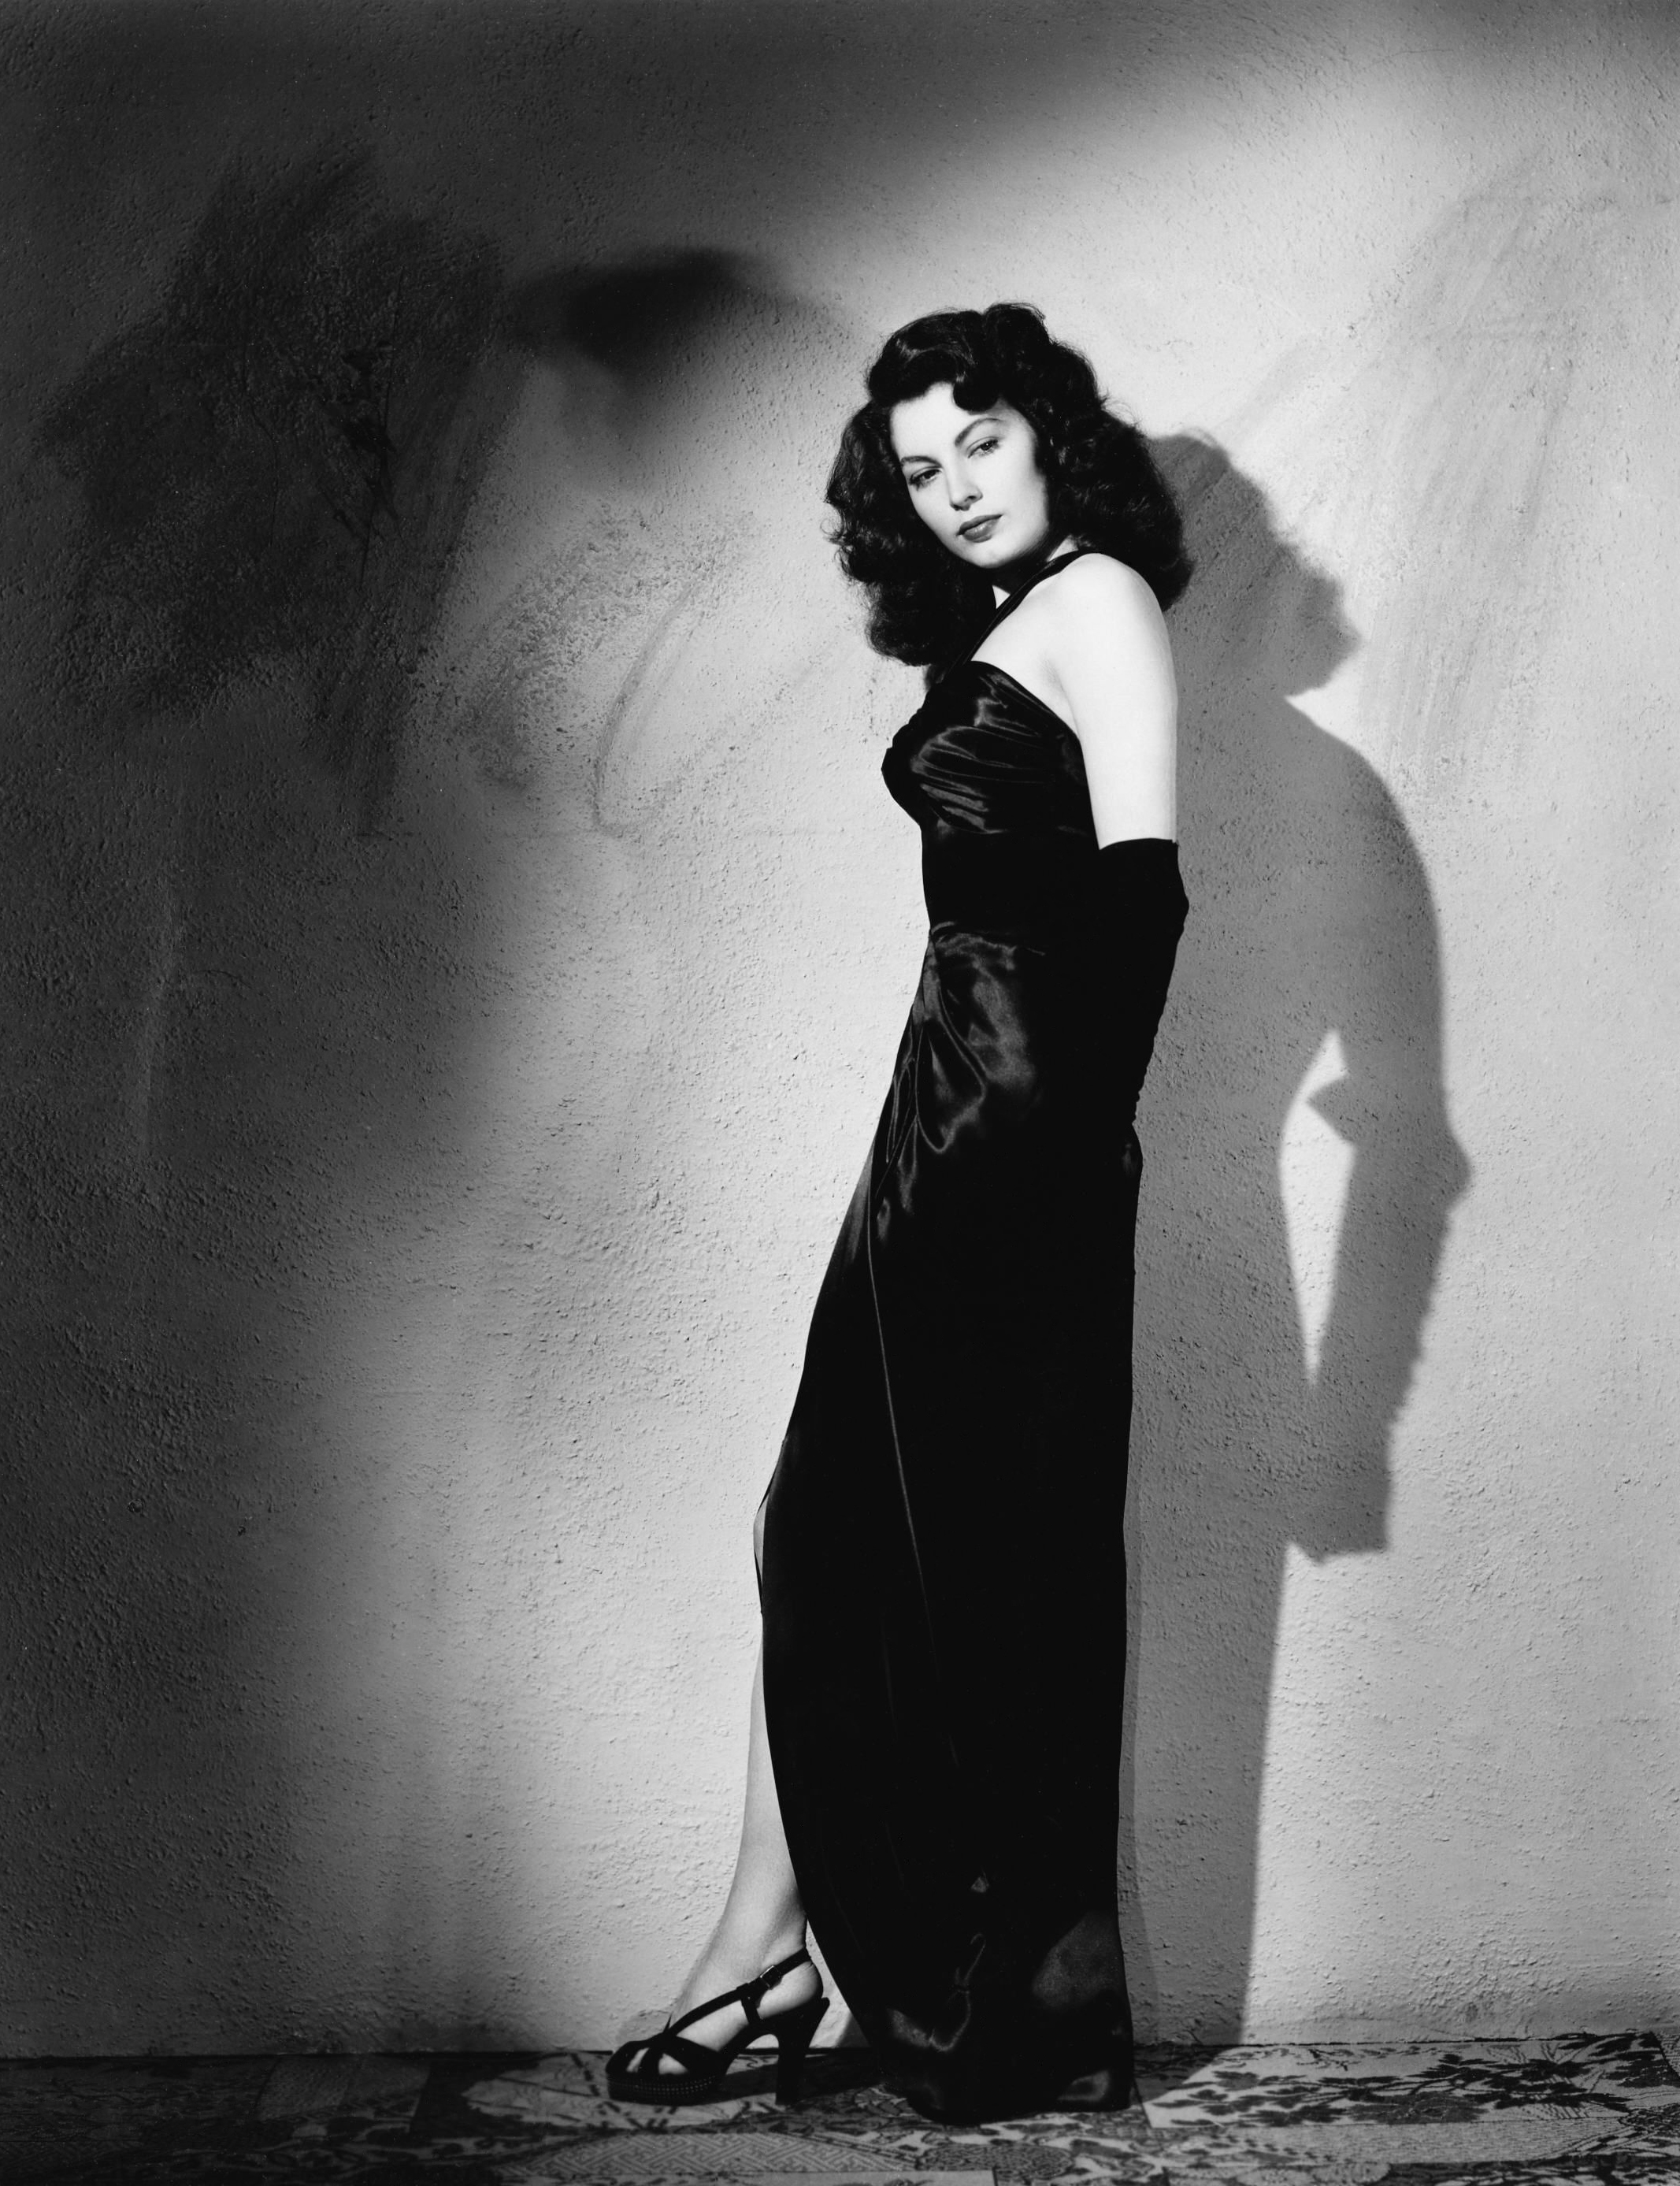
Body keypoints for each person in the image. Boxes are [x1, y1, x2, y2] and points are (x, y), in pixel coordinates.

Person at [608, 303, 1192, 2124]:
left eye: (979, 444)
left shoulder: (1098, 597)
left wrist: (1075, 1150)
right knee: (835, 1531)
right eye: (921, 470)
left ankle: (820, 1961)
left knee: (938, 1551)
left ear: (1049, 435)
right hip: (938, 1103)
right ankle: (773, 1942)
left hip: (1011, 1126)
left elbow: (1143, 897)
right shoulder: (1013, 619)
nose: (954, 490)